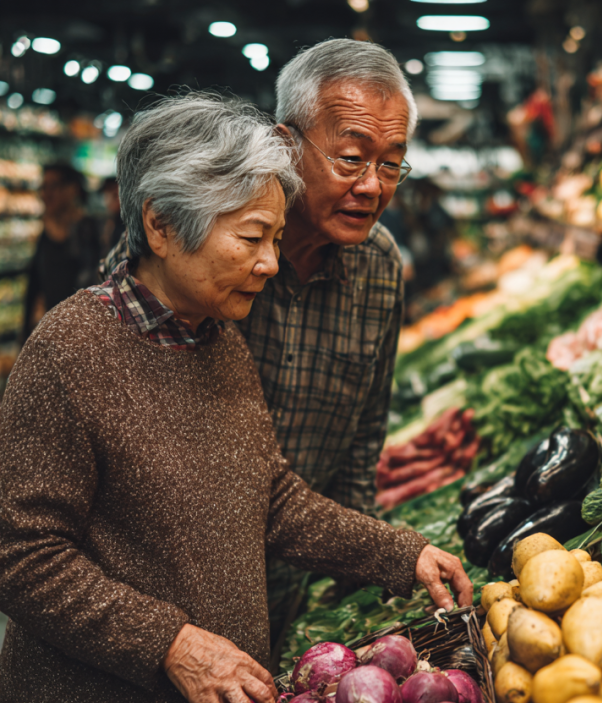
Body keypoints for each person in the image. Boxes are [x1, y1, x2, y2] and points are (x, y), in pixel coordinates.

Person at [0, 93, 472, 703]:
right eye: (251, 237)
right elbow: (22, 556)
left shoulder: (215, 339)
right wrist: (173, 644)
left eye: (276, 238)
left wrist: (398, 553)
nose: (267, 262)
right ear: (160, 224)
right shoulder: (68, 356)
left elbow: (269, 493)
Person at [104, 40, 427, 643]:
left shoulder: (380, 267)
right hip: (164, 587)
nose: (372, 187)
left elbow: (360, 442)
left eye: (391, 165)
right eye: (351, 158)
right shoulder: (195, 248)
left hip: (292, 578)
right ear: (285, 143)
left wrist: (353, 575)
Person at [22, 163, 101, 341]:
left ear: (72, 189)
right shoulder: (45, 234)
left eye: (53, 187)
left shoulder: (89, 231)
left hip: (81, 337)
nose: (45, 194)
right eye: (43, 187)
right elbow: (35, 286)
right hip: (50, 335)